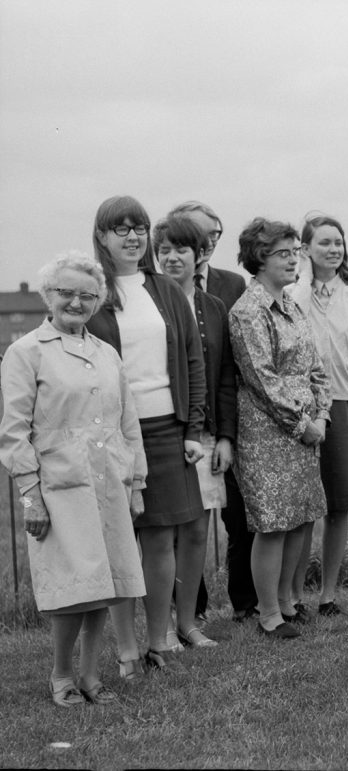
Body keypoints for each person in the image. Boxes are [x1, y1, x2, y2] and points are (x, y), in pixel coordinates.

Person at [0, 253, 146, 707]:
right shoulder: (26, 352)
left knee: (103, 583)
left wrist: (135, 482)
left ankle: (89, 675)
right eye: (66, 293)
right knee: (73, 587)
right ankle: (61, 675)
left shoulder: (107, 354)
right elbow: (13, 430)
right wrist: (31, 496)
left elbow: (128, 422)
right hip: (58, 486)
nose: (75, 302)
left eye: (87, 295)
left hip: (108, 484)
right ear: (48, 296)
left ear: (98, 301)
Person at [86, 195, 206, 675]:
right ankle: (126, 648)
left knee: (160, 541)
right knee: (119, 541)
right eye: (121, 229)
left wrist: (193, 426)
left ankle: (161, 639)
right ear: (102, 237)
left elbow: (193, 361)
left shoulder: (166, 290)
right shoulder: (91, 290)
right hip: (114, 435)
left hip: (166, 429)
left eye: (140, 228)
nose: (132, 237)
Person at [229, 218, 330, 638]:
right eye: (283, 253)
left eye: (295, 252)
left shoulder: (292, 304)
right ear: (259, 258)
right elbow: (262, 379)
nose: (293, 260)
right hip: (269, 433)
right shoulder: (247, 311)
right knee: (272, 523)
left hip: (308, 430)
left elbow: (316, 367)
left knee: (302, 518)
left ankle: (289, 602)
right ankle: (268, 614)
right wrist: (303, 424)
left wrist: (322, 415)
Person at [169, 200, 257, 620]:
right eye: (198, 236)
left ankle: (246, 602)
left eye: (214, 237)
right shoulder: (159, 292)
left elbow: (232, 364)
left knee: (239, 521)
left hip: (224, 421)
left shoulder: (230, 286)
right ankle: (193, 610)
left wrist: (229, 433)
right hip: (177, 425)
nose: (206, 244)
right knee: (184, 526)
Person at [291, 214, 348, 616]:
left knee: (339, 505)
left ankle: (327, 594)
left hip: (346, 406)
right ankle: (291, 597)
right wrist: (305, 282)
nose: (333, 249)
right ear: (306, 249)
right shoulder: (293, 296)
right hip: (302, 408)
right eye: (323, 242)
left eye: (338, 242)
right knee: (303, 505)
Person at [154, 215, 237, 647]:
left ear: (198, 255)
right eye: (164, 250)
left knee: (197, 531)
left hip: (204, 435)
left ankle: (188, 623)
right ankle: (162, 627)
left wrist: (223, 436)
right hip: (162, 432)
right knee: (161, 532)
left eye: (181, 250)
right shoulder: (146, 304)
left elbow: (224, 376)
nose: (171, 257)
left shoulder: (213, 308)